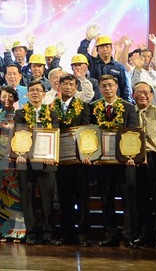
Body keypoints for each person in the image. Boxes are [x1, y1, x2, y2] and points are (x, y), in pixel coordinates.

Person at [90, 74, 139, 247]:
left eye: (110, 85)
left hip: (124, 162)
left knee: (128, 199)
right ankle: (111, 234)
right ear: (100, 88)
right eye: (104, 86)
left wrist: (131, 156)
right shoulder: (93, 107)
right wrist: (93, 155)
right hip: (103, 163)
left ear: (116, 86)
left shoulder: (128, 107)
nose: (107, 88)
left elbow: (133, 132)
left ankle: (129, 235)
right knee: (106, 199)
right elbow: (90, 134)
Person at [13, 81, 61, 246]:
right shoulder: (20, 113)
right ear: (27, 94)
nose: (35, 93)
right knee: (28, 199)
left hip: (47, 162)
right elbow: (19, 135)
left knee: (48, 200)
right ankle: (31, 233)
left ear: (44, 94)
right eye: (32, 90)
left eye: (38, 90)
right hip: (25, 162)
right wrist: (20, 153)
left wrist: (50, 153)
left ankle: (48, 233)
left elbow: (55, 135)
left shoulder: (52, 114)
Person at [50, 74, 92, 246]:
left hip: (79, 161)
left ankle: (83, 234)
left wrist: (87, 153)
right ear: (59, 86)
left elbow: (87, 130)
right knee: (64, 197)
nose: (68, 87)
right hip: (60, 161)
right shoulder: (51, 107)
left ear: (76, 88)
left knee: (82, 198)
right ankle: (68, 233)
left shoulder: (83, 106)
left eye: (71, 84)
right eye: (65, 83)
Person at [130, 82, 156, 249]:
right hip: (135, 160)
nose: (142, 95)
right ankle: (145, 234)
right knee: (140, 199)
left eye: (146, 92)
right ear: (132, 95)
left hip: (155, 158)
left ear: (152, 95)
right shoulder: (129, 113)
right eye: (138, 92)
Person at [0, 86, 25, 242]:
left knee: (15, 195)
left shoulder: (20, 114)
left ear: (15, 98)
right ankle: (2, 231)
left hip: (14, 159)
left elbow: (24, 136)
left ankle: (18, 232)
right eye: (4, 96)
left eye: (10, 96)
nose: (7, 99)